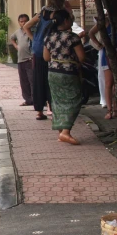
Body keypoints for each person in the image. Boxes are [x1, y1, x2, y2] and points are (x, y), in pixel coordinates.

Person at [23, 0, 70, 120]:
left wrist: (35, 40)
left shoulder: (42, 12)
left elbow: (26, 26)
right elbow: (68, 26)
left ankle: (39, 111)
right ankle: (52, 108)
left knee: (39, 79)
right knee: (53, 79)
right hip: (53, 50)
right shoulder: (60, 14)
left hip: (38, 50)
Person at [43, 9, 85, 145]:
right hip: (69, 73)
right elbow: (82, 57)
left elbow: (46, 57)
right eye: (71, 19)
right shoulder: (73, 37)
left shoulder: (49, 37)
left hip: (53, 72)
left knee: (57, 101)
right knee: (75, 99)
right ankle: (66, 132)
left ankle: (60, 132)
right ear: (66, 21)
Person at [88, 14, 117, 120]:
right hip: (107, 55)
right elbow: (90, 33)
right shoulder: (105, 22)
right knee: (109, 83)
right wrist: (99, 45)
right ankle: (110, 109)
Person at [10, 14, 33, 106]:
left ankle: (35, 99)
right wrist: (16, 46)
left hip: (30, 59)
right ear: (19, 23)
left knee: (32, 80)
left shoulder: (31, 31)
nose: (23, 23)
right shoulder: (17, 32)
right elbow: (12, 38)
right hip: (21, 60)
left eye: (25, 21)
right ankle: (27, 100)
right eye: (21, 21)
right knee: (23, 81)